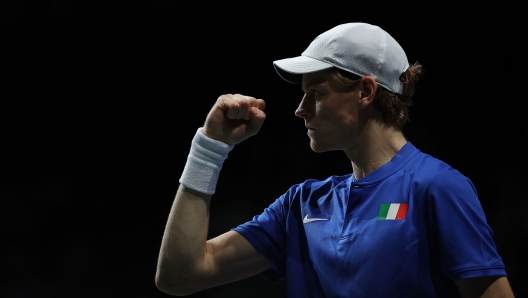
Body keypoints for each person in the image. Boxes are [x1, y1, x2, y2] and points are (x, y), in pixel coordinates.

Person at [155, 22, 514, 297]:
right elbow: (180, 275)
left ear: (365, 91)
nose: (300, 110)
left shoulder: (437, 187)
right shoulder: (300, 205)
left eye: (316, 94)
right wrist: (209, 149)